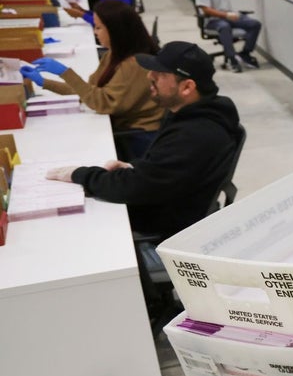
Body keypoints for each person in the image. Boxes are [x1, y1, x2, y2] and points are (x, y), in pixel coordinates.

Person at [44, 41, 242, 240]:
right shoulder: (191, 113)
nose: (149, 76)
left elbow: (135, 187)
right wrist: (135, 167)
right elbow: (164, 170)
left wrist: (80, 175)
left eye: (160, 74)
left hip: (165, 227)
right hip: (164, 201)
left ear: (187, 87)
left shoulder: (194, 135)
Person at [21, 0, 163, 158]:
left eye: (98, 27)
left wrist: (65, 73)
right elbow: (89, 91)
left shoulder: (133, 64)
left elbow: (103, 103)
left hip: (138, 138)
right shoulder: (114, 54)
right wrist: (44, 82)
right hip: (122, 128)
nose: (95, 32)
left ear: (116, 30)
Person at [194, 0, 263, 73]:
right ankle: (231, 59)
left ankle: (245, 53)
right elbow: (206, 9)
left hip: (229, 16)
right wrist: (226, 15)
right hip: (212, 20)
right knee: (224, 27)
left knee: (254, 24)